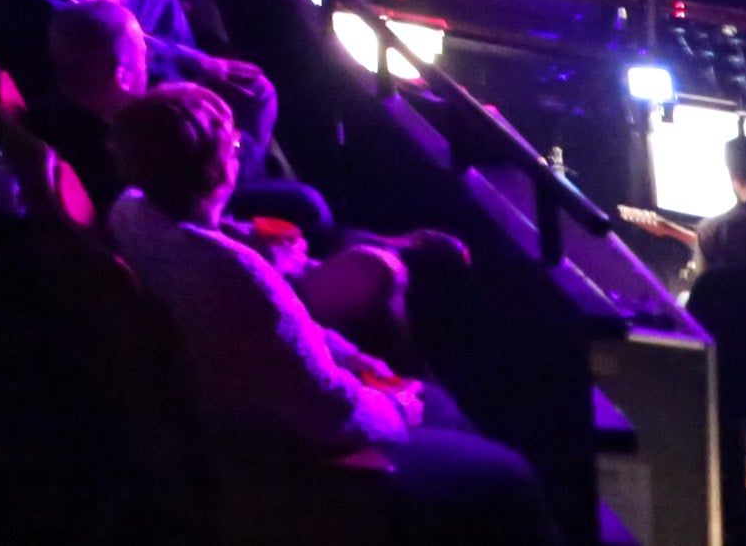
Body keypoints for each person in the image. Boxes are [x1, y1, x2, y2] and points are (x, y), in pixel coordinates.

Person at [106, 85, 552, 546]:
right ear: (219, 168)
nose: (238, 153)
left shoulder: (131, 214)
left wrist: (357, 360)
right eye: (233, 146)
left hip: (223, 417)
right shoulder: (232, 271)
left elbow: (284, 335)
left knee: (441, 409)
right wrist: (399, 406)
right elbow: (330, 412)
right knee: (508, 475)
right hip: (283, 458)